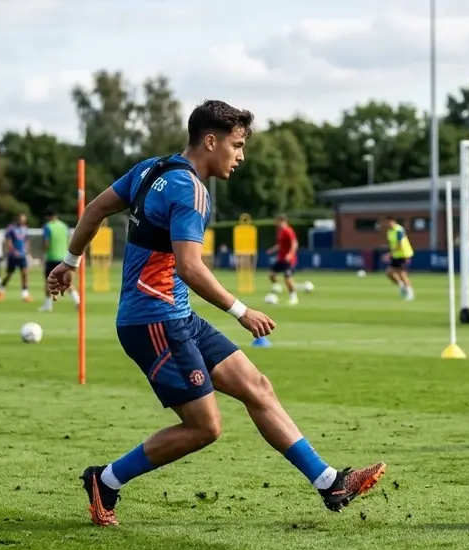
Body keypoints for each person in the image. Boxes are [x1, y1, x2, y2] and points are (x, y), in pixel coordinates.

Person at [47, 100, 385, 527]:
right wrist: (241, 311)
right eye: (237, 145)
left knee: (257, 387)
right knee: (205, 427)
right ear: (211, 141)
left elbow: (95, 209)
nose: (240, 156)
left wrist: (70, 262)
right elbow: (190, 268)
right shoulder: (191, 191)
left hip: (175, 316)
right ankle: (106, 480)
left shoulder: (150, 169)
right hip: (155, 321)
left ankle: (329, 482)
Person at [40, 208, 79, 312]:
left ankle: (48, 305)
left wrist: (43, 255)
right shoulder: (64, 226)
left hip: (52, 258)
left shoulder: (47, 227)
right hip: (63, 257)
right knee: (66, 281)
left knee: (48, 281)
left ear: (47, 216)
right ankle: (77, 301)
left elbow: (46, 242)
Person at [0, 213, 31, 302]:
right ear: (18, 219)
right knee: (9, 274)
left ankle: (25, 295)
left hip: (22, 255)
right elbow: (9, 241)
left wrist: (27, 251)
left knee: (25, 273)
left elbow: (26, 241)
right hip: (13, 256)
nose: (23, 221)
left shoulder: (25, 229)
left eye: (24, 220)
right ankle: (1, 289)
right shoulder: (11, 228)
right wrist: (13, 251)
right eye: (22, 219)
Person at [266, 214, 299, 305]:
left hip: (289, 260)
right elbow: (280, 245)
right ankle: (277, 286)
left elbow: (294, 243)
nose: (276, 223)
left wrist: (290, 254)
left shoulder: (289, 231)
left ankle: (293, 296)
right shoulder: (280, 231)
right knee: (271, 274)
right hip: (281, 259)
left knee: (287, 278)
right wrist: (272, 250)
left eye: (277, 221)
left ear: (282, 221)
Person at [383, 216, 414, 300]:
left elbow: (400, 244)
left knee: (402, 273)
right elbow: (392, 244)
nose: (387, 224)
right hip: (396, 255)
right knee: (389, 273)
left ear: (393, 221)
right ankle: (402, 287)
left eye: (388, 222)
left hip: (404, 254)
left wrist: (390, 254)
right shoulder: (389, 231)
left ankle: (410, 292)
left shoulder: (399, 230)